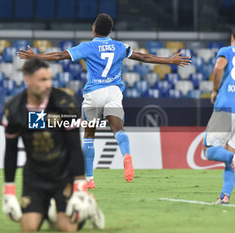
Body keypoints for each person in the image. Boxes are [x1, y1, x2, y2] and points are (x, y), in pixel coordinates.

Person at [17, 13, 191, 188]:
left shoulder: (88, 47)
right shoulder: (119, 46)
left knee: (89, 135)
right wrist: (171, 60)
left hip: (94, 93)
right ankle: (126, 155)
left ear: (94, 28)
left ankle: (90, 179)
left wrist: (35, 56)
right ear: (110, 30)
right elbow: (144, 57)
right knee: (118, 130)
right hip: (114, 92)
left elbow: (60, 55)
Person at [1, 58, 104, 231]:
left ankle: (89, 205)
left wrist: (80, 186)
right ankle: (47, 211)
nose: (48, 84)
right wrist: (9, 191)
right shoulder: (13, 108)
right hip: (34, 176)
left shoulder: (65, 103)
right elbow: (10, 151)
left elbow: (74, 147)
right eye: (42, 80)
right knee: (29, 227)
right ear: (28, 80)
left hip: (63, 175)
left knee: (66, 227)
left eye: (49, 79)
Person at [203, 29, 235, 204]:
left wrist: (215, 90)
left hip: (226, 107)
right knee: (231, 158)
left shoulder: (227, 51)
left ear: (232, 38)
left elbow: (218, 67)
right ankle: (225, 196)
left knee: (209, 151)